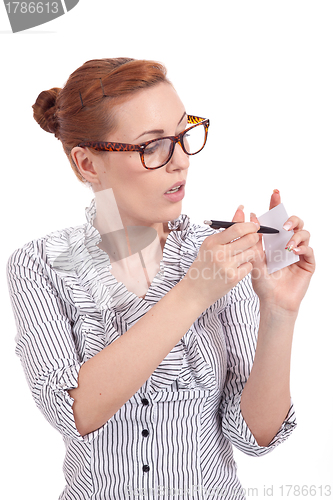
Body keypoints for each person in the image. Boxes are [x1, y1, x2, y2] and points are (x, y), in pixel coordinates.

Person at [6, 57, 315, 500]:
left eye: (183, 135)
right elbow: (73, 412)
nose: (181, 161)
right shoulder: (40, 264)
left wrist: (280, 311)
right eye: (152, 146)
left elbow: (255, 436)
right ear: (88, 164)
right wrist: (194, 291)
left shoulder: (218, 253)